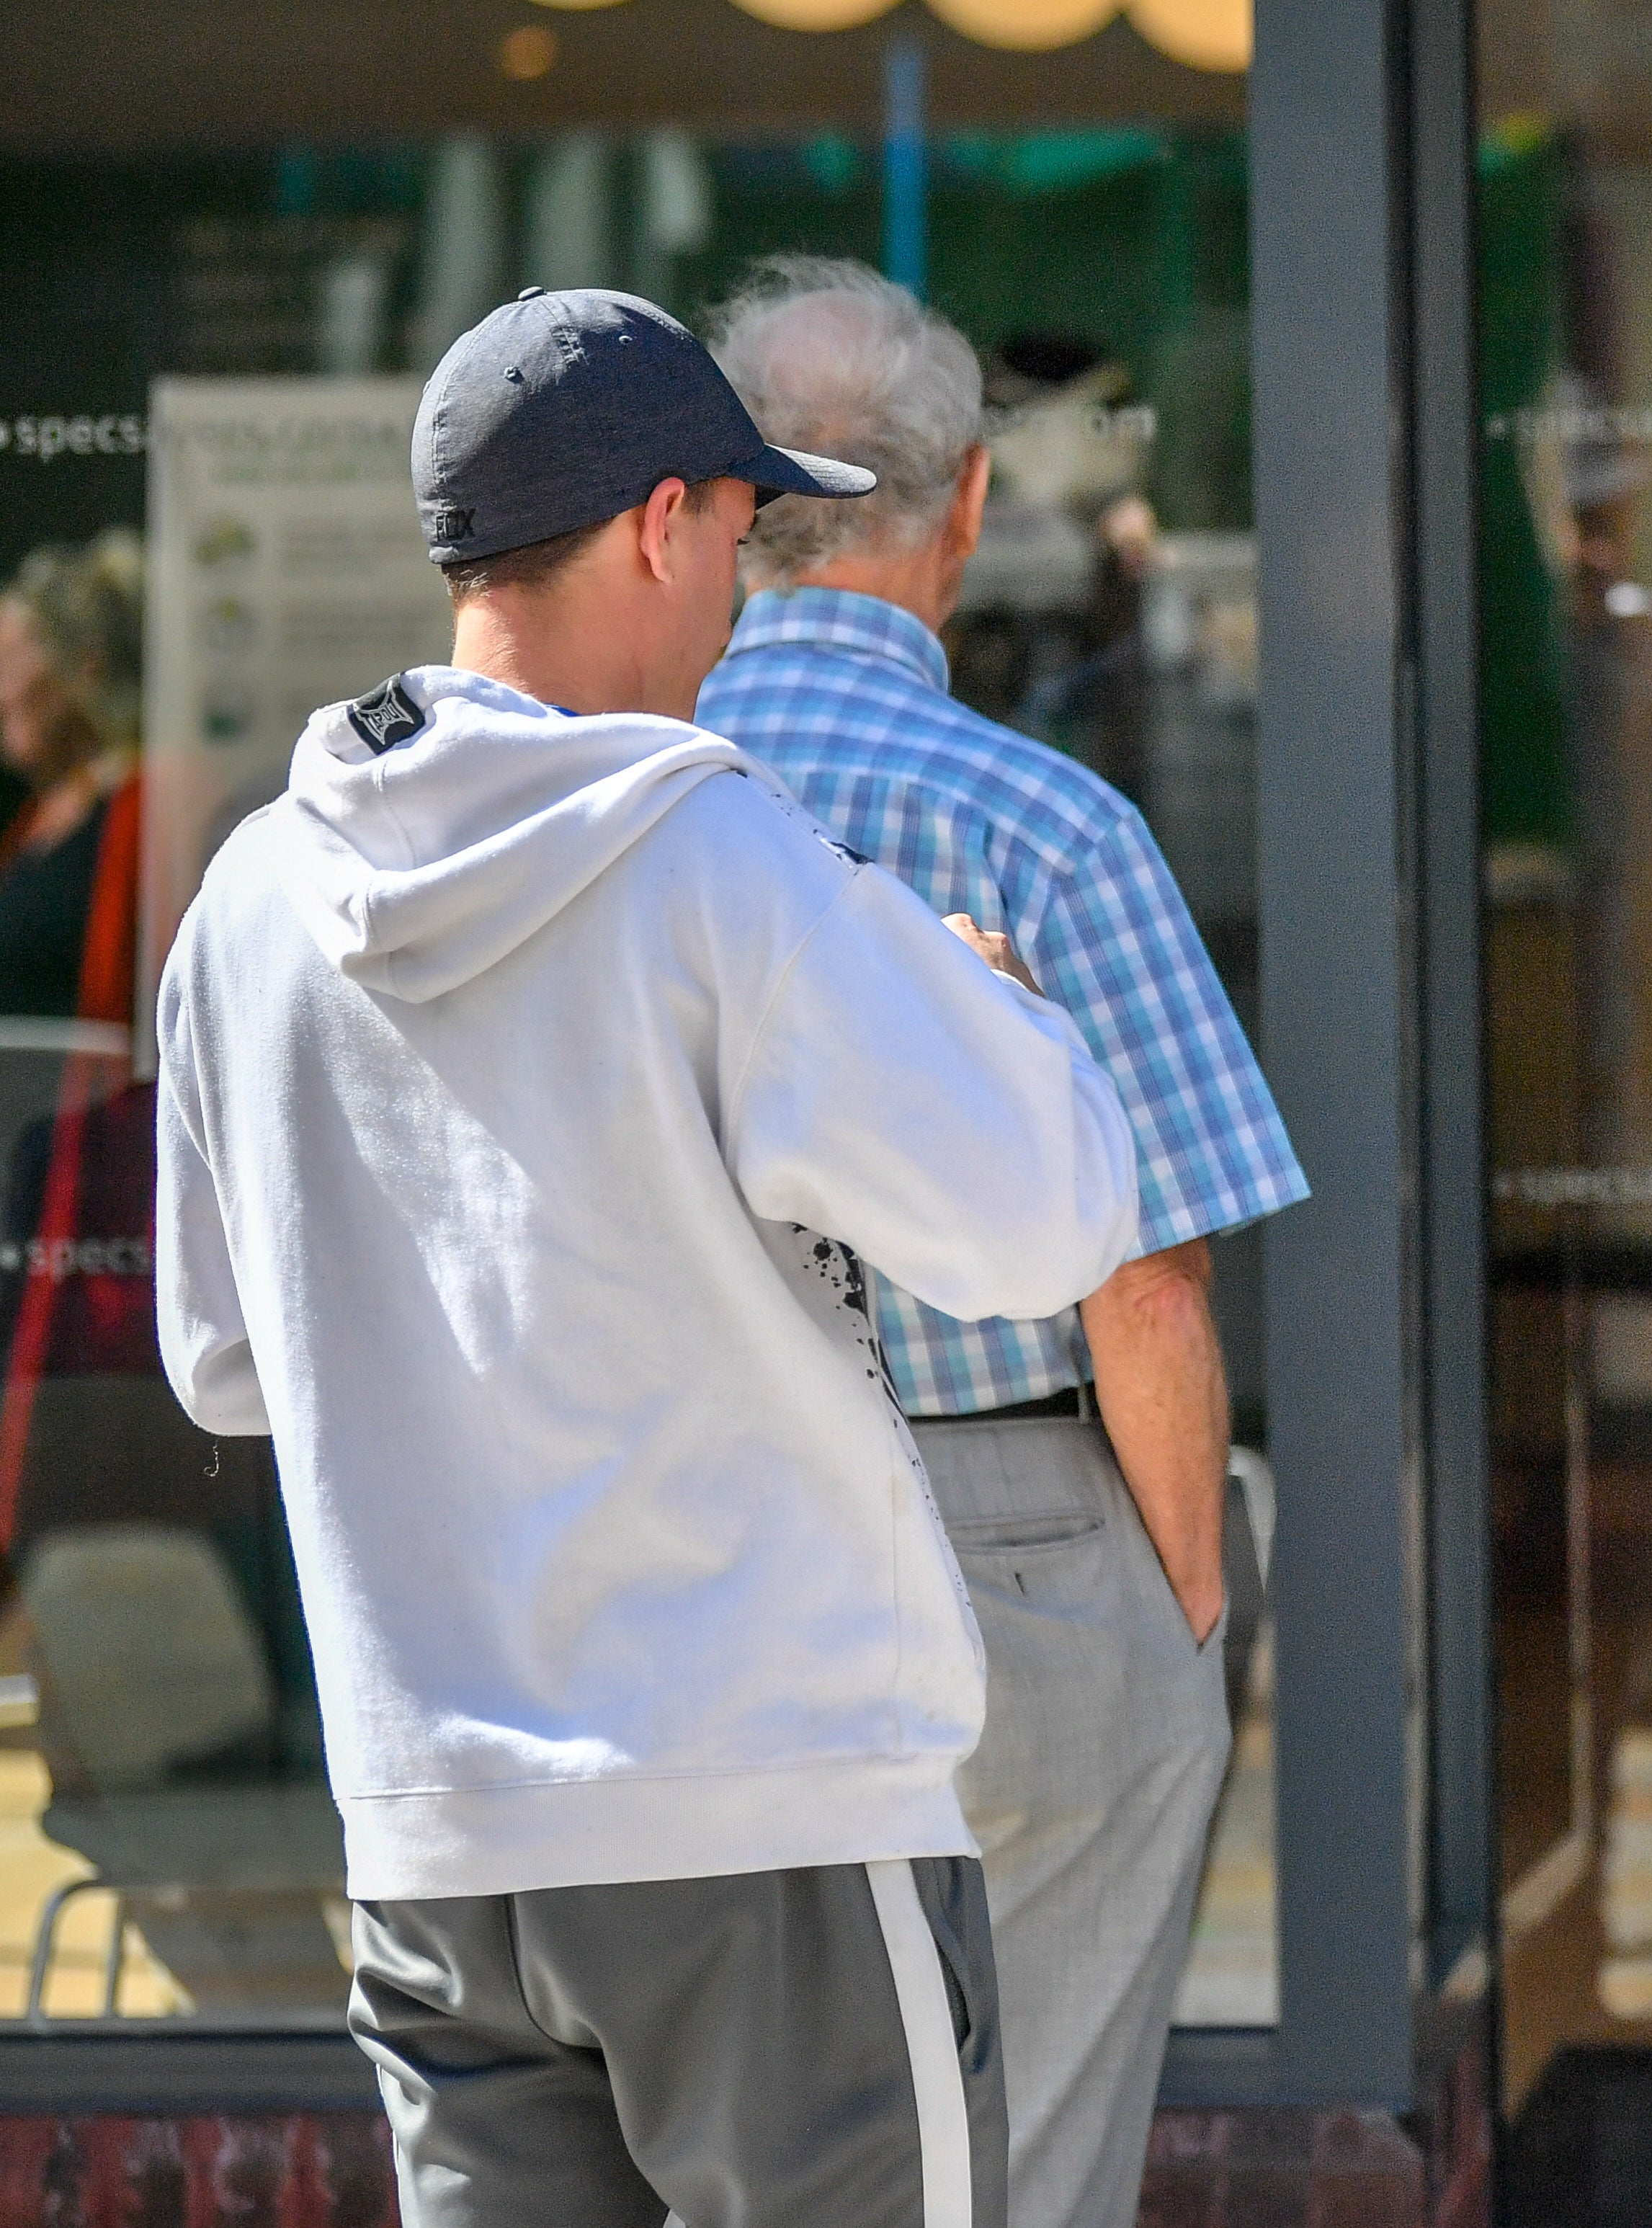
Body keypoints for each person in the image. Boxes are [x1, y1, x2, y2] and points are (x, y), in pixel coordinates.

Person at [154, 285, 1146, 2228]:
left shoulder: (252, 894)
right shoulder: (717, 859)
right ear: (661, 522)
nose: (739, 593)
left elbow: (222, 1364)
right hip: (768, 1803)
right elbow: (1052, 1216)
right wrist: (983, 1003)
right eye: (735, 533)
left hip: (438, 1824)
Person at [696, 257, 1311, 2228]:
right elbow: (1143, 1273)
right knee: (1017, 2163)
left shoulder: (605, 814)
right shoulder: (1040, 824)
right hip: (1014, 1553)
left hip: (674, 1537)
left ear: (711, 504)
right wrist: (1185, 1617)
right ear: (963, 502)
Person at [0, 533, 144, 1026]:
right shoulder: (33, 821)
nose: (2, 694)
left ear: (84, 667)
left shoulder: (140, 811)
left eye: (8, 664)